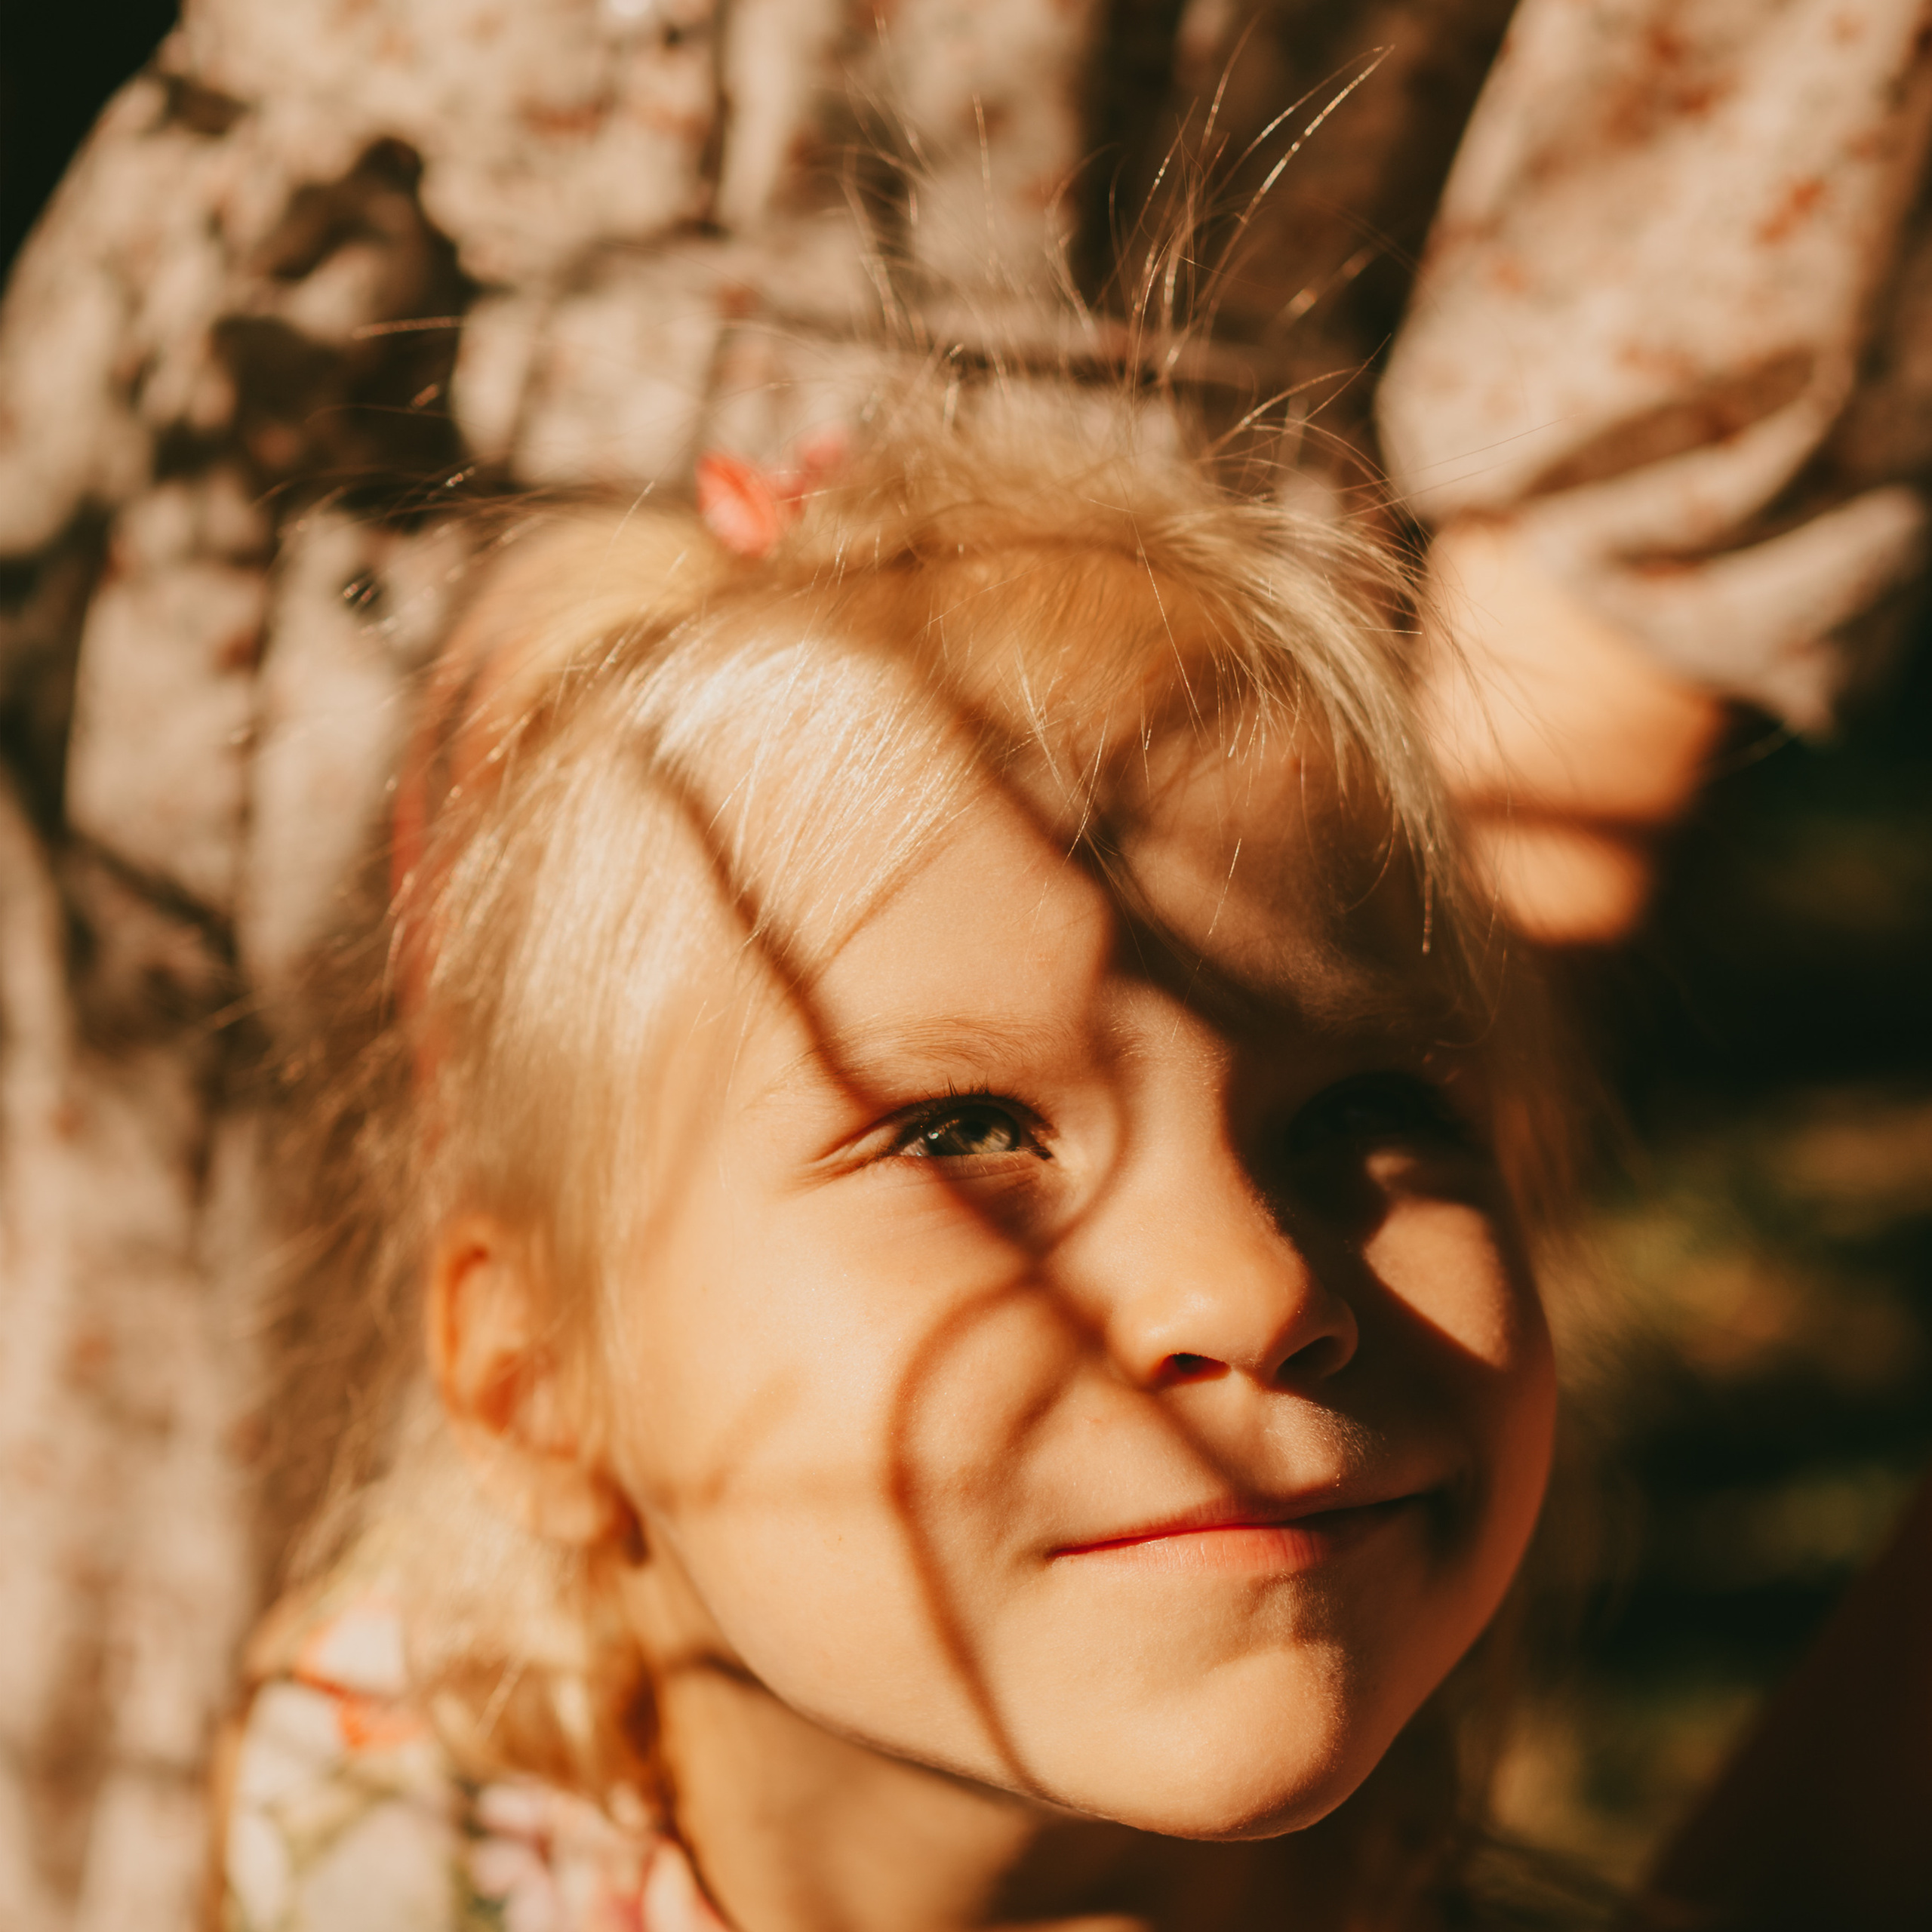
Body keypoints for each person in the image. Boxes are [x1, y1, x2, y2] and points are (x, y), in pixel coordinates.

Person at [214, 376, 1601, 1932]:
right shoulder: (362, 1837)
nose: (1251, 1286)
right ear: (536, 1379)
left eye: (1362, 1110)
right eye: (964, 1130)